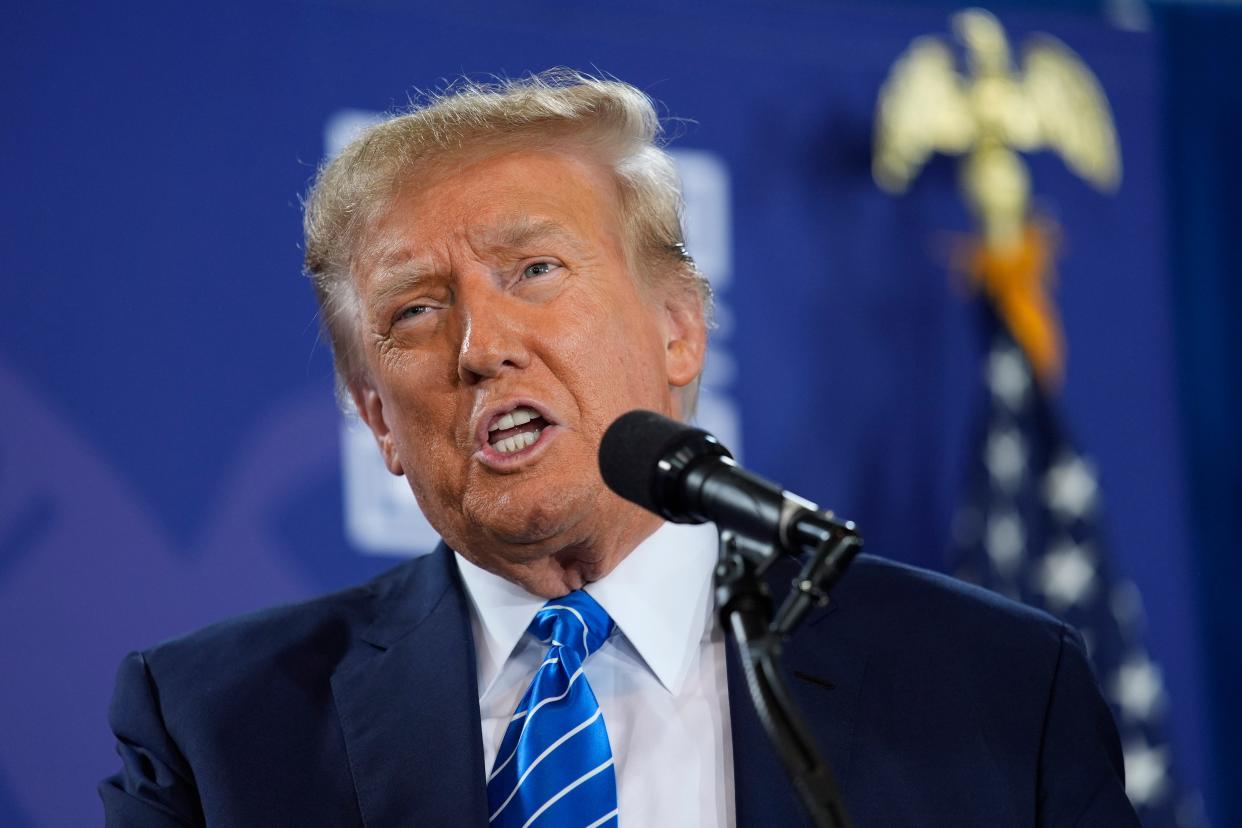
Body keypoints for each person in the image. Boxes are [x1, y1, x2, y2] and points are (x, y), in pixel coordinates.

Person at [100, 70, 1138, 826]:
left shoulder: (996, 689)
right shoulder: (215, 734)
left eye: (536, 269)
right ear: (379, 422)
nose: (483, 347)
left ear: (679, 327)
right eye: (415, 312)